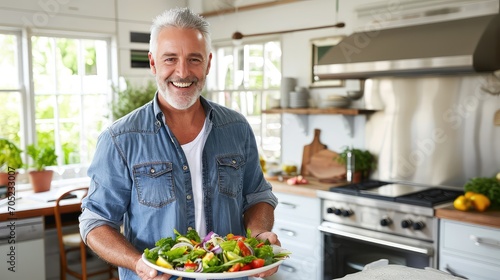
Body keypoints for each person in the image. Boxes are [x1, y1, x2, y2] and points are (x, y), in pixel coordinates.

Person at [79, 7, 280, 280]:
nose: (183, 72)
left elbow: (257, 196)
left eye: (194, 59)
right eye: (170, 59)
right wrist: (138, 262)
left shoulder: (237, 128)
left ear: (208, 63)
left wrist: (258, 238)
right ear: (153, 63)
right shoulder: (120, 138)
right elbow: (95, 221)